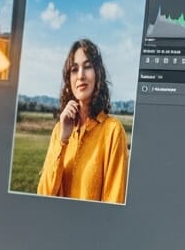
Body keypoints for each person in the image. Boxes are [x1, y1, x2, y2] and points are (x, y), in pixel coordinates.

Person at [35, 38, 129, 203]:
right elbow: (43, 195)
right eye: (74, 69)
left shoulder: (113, 131)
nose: (80, 75)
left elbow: (113, 205)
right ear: (68, 79)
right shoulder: (59, 130)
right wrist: (63, 140)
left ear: (97, 74)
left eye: (87, 67)